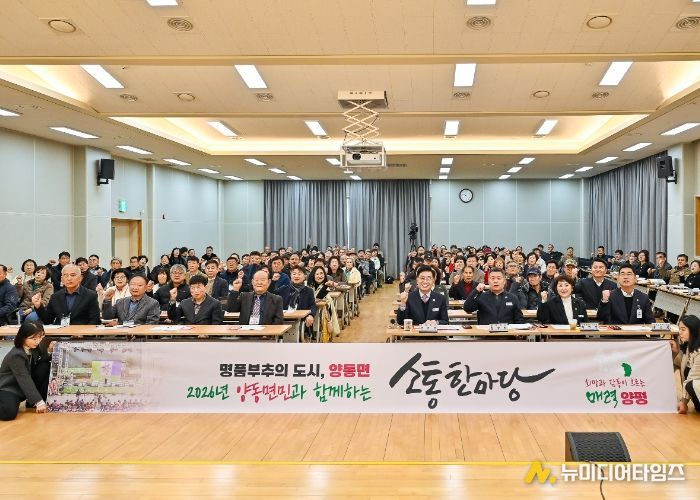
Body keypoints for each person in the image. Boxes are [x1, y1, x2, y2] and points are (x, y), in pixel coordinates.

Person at [0, 321, 55, 421]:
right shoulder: (16, 355)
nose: (37, 341)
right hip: (9, 388)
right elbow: (24, 378)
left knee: (44, 366)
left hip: (21, 388)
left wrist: (49, 351)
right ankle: (36, 400)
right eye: (34, 338)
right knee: (9, 413)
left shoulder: (32, 347)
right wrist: (38, 401)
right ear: (23, 337)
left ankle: (32, 402)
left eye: (40, 337)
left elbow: (41, 361)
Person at [32, 264, 100, 325]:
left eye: (73, 275)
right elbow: (48, 320)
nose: (69, 278)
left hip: (81, 333)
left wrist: (83, 333)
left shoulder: (91, 295)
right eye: (66, 275)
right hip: (60, 333)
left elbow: (95, 320)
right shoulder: (55, 296)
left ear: (80, 278)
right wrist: (38, 306)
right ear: (62, 279)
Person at [277, 266, 317, 340]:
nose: (296, 276)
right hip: (284, 319)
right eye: (294, 274)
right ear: (290, 276)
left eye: (299, 274)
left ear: (304, 276)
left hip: (301, 320)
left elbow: (312, 305)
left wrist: (311, 315)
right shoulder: (283, 289)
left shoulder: (308, 291)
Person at [670, 315, 700, 414]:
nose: (680, 332)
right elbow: (684, 366)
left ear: (693, 330)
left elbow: (692, 376)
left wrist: (683, 402)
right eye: (679, 329)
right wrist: (676, 351)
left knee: (691, 384)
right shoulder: (689, 346)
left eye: (683, 329)